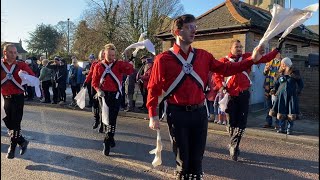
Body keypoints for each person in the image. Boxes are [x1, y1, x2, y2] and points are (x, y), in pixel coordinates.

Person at [147, 14, 268, 179]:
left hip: (199, 113)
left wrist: (252, 60)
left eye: (195, 27)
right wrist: (152, 115)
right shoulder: (163, 59)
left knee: (197, 161)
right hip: (177, 114)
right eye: (190, 27)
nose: (194, 31)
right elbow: (153, 88)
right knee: (183, 161)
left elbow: (226, 69)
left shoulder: (203, 56)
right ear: (177, 31)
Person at [214, 39, 283, 162]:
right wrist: (221, 86)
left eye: (241, 47)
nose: (239, 48)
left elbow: (265, 58)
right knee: (231, 123)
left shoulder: (248, 57)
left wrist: (277, 49)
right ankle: (234, 144)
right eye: (237, 47)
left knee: (242, 122)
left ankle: (234, 146)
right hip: (230, 95)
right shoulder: (224, 60)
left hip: (244, 94)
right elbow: (216, 75)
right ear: (231, 48)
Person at [92, 43, 135, 156]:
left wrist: (130, 64)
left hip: (115, 96)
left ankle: (108, 139)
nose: (112, 57)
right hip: (104, 96)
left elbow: (130, 71)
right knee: (106, 119)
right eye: (109, 55)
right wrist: (98, 90)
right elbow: (94, 82)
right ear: (104, 53)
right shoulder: (98, 66)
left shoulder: (119, 64)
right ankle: (109, 138)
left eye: (113, 55)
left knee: (112, 119)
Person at [1, 44, 35, 159]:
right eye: (11, 52)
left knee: (15, 123)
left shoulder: (21, 65)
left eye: (15, 52)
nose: (14, 55)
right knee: (7, 122)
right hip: (3, 98)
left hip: (17, 97)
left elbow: (33, 77)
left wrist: (26, 76)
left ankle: (12, 147)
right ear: (5, 52)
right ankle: (22, 141)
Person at [269, 57, 303, 135]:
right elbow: (276, 84)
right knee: (281, 112)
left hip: (291, 97)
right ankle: (282, 128)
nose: (282, 65)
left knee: (291, 113)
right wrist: (274, 90)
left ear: (288, 64)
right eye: (282, 64)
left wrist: (297, 92)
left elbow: (301, 85)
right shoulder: (280, 73)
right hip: (281, 97)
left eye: (284, 63)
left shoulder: (295, 73)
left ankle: (289, 129)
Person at [83, 49, 105, 132]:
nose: (103, 55)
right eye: (102, 54)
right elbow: (90, 74)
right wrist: (85, 82)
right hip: (94, 86)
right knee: (95, 105)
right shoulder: (95, 64)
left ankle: (103, 124)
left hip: (103, 87)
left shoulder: (109, 64)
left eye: (104, 54)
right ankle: (96, 120)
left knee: (103, 106)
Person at [263, 51, 281, 129]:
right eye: (273, 53)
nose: (275, 55)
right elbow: (264, 73)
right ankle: (268, 122)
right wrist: (266, 70)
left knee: (277, 106)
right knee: (268, 106)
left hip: (277, 87)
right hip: (268, 86)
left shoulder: (282, 62)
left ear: (279, 54)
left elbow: (282, 74)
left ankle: (277, 123)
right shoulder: (269, 62)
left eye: (276, 53)